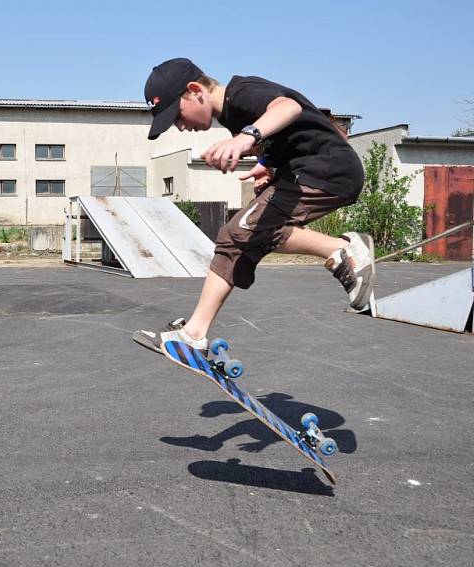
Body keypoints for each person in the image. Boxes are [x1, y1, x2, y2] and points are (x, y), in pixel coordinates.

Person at [133, 58, 374, 353]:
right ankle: (194, 332)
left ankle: (342, 250)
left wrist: (246, 138)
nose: (181, 127)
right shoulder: (232, 114)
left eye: (178, 116)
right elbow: (291, 137)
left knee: (241, 231)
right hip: (311, 171)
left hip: (328, 170)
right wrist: (267, 165)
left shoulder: (241, 92)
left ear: (196, 91)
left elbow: (289, 108)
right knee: (238, 239)